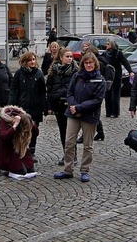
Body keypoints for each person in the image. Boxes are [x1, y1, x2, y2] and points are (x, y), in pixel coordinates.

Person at [53, 53, 106, 182]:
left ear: (95, 64)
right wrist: (74, 106)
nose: (88, 65)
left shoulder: (100, 80)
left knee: (88, 145)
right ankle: (68, 169)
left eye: (90, 63)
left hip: (90, 115)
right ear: (83, 64)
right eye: (86, 63)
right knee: (69, 143)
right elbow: (70, 93)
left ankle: (84, 170)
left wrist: (80, 108)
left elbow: (97, 100)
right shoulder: (77, 76)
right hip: (73, 113)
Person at [9, 52, 46, 157]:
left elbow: (43, 92)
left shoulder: (39, 74)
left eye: (34, 59)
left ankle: (32, 150)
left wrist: (45, 107)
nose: (33, 62)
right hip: (22, 106)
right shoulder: (19, 73)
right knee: (21, 130)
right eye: (30, 60)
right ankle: (21, 149)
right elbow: (13, 89)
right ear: (25, 62)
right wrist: (10, 104)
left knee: (34, 129)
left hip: (35, 107)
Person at [46, 48, 79, 165]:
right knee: (63, 131)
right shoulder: (53, 71)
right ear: (61, 58)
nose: (70, 58)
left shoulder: (76, 71)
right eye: (67, 56)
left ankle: (72, 155)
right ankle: (66, 153)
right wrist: (50, 104)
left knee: (71, 131)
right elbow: (49, 89)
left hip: (71, 105)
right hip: (58, 104)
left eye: (71, 56)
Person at [0, 106, 37, 176]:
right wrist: (14, 126)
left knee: (30, 169)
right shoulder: (4, 121)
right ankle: (5, 167)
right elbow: (4, 137)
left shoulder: (25, 119)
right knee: (21, 171)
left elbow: (36, 133)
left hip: (20, 147)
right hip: (8, 148)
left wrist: (32, 124)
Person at [103, 38, 133, 118]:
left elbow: (125, 62)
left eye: (108, 44)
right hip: (108, 77)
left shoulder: (118, 53)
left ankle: (115, 112)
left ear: (112, 45)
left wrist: (130, 71)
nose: (106, 45)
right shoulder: (105, 54)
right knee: (107, 94)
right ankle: (108, 112)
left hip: (116, 76)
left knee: (115, 95)